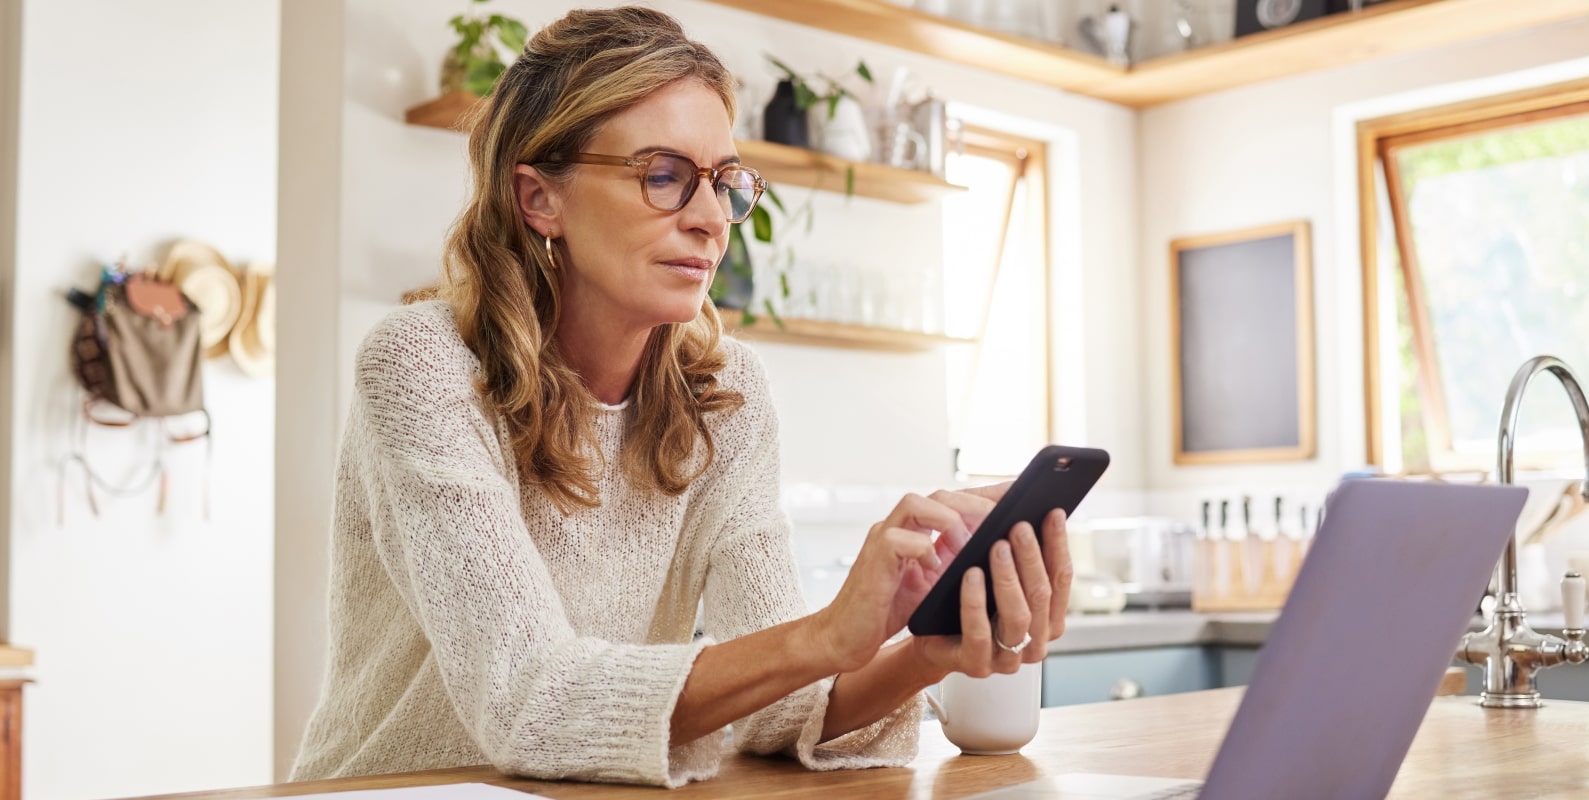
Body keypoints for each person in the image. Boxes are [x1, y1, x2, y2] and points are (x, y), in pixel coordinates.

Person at [290, 6, 1073, 788]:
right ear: (539, 198)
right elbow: (531, 701)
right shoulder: (424, 365)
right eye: (663, 176)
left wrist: (922, 650)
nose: (709, 219)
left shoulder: (724, 393)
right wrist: (831, 633)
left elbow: (776, 710)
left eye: (725, 182)